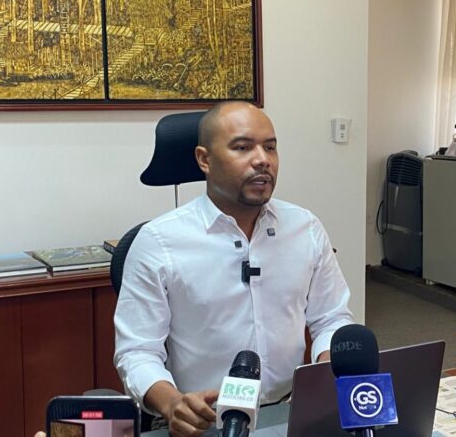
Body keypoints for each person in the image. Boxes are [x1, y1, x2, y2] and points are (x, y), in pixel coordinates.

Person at [113, 101, 354, 437]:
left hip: (290, 410)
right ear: (204, 160)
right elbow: (137, 352)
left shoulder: (305, 228)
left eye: (270, 147)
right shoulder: (158, 242)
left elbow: (331, 318)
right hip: (201, 420)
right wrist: (172, 404)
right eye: (242, 147)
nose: (262, 159)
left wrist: (326, 370)